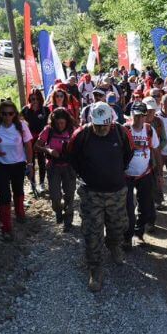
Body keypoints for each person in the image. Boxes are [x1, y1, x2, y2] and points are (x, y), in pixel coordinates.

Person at [66, 102, 134, 292]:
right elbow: (72, 157)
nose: (102, 129)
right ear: (91, 122)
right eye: (98, 125)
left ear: (111, 122)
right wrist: (87, 175)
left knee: (118, 226)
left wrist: (114, 172)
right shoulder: (82, 135)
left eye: (105, 125)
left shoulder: (122, 133)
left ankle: (115, 246)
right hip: (92, 195)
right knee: (92, 233)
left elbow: (129, 155)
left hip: (117, 192)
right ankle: (95, 268)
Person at [0, 99, 33, 241]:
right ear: (0, 114)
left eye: (10, 113)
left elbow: (28, 146)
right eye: (4, 114)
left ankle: (19, 212)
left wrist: (29, 165)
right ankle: (6, 228)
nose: (7, 116)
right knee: (4, 195)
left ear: (15, 114)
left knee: (18, 190)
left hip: (18, 164)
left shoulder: (21, 126)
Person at [123, 101, 162, 250]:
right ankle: (127, 237)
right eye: (136, 116)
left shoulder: (149, 130)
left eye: (142, 116)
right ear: (132, 115)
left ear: (146, 116)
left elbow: (156, 151)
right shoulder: (125, 129)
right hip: (126, 175)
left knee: (145, 207)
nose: (139, 119)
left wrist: (158, 173)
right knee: (128, 208)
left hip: (144, 173)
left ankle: (138, 234)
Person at [36, 107, 77, 231]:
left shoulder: (72, 131)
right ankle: (58, 211)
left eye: (62, 123)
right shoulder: (48, 130)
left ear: (67, 121)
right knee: (55, 196)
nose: (60, 125)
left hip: (69, 167)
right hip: (53, 166)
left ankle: (68, 220)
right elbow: (36, 146)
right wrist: (48, 150)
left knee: (69, 194)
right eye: (58, 123)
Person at [143, 96, 167, 217]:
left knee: (156, 178)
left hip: (154, 157)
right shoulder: (137, 121)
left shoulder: (158, 122)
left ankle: (156, 202)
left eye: (152, 110)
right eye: (148, 110)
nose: (150, 112)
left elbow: (164, 140)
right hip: (140, 159)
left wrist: (154, 148)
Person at [21, 90, 49, 192]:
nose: (35, 101)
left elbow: (49, 125)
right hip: (29, 139)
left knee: (41, 161)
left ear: (40, 99)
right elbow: (19, 123)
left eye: (37, 98)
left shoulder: (45, 110)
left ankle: (41, 183)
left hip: (41, 139)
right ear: (30, 99)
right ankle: (32, 184)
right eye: (33, 99)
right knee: (30, 162)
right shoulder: (25, 110)